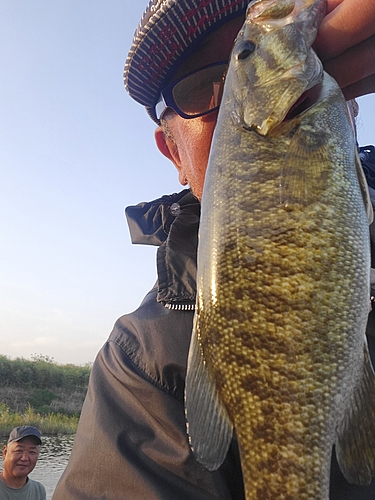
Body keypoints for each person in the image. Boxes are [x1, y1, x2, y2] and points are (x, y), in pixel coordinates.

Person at [53, 0, 375, 498]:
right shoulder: (139, 368)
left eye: (239, 58)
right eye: (204, 85)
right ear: (174, 151)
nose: (229, 99)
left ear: (351, 102)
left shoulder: (315, 104)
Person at [0, 426, 46, 500]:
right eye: (19, 450)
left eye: (32, 452)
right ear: (5, 453)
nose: (24, 458)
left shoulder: (38, 490)